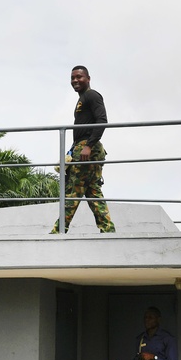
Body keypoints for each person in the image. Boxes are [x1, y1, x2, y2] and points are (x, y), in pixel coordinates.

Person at [51, 65, 116, 234]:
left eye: (79, 77)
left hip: (87, 148)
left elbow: (102, 120)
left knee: (73, 190)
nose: (75, 80)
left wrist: (88, 146)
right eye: (72, 78)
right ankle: (108, 230)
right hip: (82, 147)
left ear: (88, 78)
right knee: (93, 191)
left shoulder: (91, 95)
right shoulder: (82, 99)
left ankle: (58, 231)